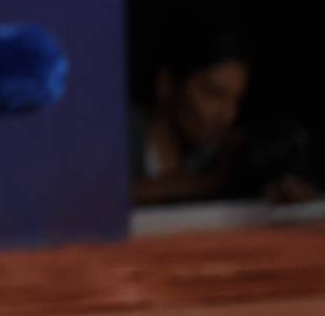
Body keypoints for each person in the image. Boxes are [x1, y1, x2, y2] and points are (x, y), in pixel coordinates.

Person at [131, 25, 314, 206]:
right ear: (167, 84)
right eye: (213, 94)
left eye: (236, 100)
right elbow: (111, 196)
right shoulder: (120, 135)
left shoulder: (221, 150)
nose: (229, 114)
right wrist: (209, 182)